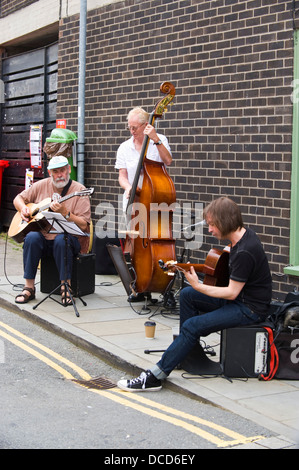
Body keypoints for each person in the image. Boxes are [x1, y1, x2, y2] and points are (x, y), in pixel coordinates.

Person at [117, 197, 272, 392]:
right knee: (187, 295)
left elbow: (232, 293)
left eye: (212, 225)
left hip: (249, 309)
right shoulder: (241, 238)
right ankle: (189, 355)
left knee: (192, 324)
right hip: (240, 301)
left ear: (224, 222)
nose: (209, 230)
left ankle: (156, 376)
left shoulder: (245, 251)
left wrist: (199, 286)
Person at [13, 155, 91, 306]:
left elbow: (83, 225)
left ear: (69, 170)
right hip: (44, 239)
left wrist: (65, 214)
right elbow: (18, 198)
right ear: (50, 173)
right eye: (56, 171)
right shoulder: (41, 185)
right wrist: (23, 208)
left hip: (69, 241)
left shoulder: (79, 190)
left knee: (62, 239)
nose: (60, 174)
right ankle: (29, 287)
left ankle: (66, 288)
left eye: (63, 170)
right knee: (31, 238)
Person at [115, 106, 172, 213]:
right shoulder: (124, 147)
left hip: (157, 200)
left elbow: (168, 161)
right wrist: (128, 188)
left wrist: (156, 139)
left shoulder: (160, 139)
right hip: (133, 203)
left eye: (135, 128)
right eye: (129, 128)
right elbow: (122, 176)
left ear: (146, 125)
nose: (132, 131)